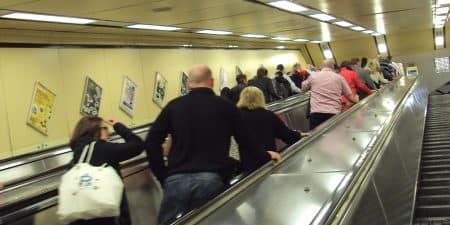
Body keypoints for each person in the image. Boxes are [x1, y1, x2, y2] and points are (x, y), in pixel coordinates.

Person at [145, 65, 281, 225]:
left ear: (188, 84)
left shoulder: (173, 106)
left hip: (176, 181)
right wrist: (266, 155)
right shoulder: (225, 106)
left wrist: (164, 175)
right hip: (212, 179)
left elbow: (151, 142)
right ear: (212, 82)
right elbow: (246, 140)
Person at [69, 117, 145, 225]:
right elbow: (138, 144)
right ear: (95, 130)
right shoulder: (101, 148)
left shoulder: (76, 156)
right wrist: (118, 125)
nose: (108, 133)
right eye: (105, 128)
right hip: (106, 218)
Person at [238, 87, 309, 153]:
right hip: (269, 155)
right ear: (260, 98)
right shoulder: (267, 115)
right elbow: (285, 134)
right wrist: (299, 134)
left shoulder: (238, 116)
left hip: (248, 160)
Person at [302, 60, 359, 129]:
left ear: (322, 66)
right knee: (335, 136)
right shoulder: (339, 78)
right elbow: (350, 96)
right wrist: (357, 100)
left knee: (316, 137)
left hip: (316, 112)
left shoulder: (314, 76)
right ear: (333, 66)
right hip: (333, 113)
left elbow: (303, 87)